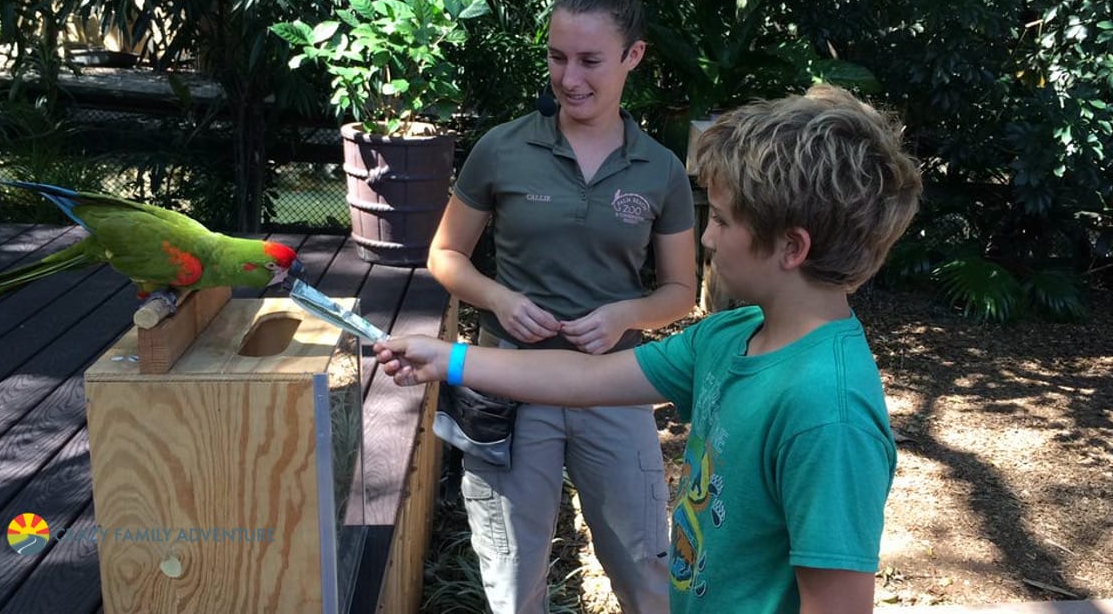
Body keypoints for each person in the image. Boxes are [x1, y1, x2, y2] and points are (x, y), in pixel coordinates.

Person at [381, 84, 924, 613]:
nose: (707, 239)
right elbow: (585, 380)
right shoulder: (729, 336)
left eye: (723, 220)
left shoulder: (829, 416)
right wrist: (446, 359)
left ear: (791, 247)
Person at [426, 0, 697, 614]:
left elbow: (681, 290)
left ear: (633, 56)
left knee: (645, 567)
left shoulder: (660, 169)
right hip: (511, 384)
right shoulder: (503, 149)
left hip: (616, 383)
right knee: (513, 573)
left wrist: (624, 313)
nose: (568, 78)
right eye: (557, 57)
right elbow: (444, 255)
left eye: (589, 60)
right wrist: (497, 298)